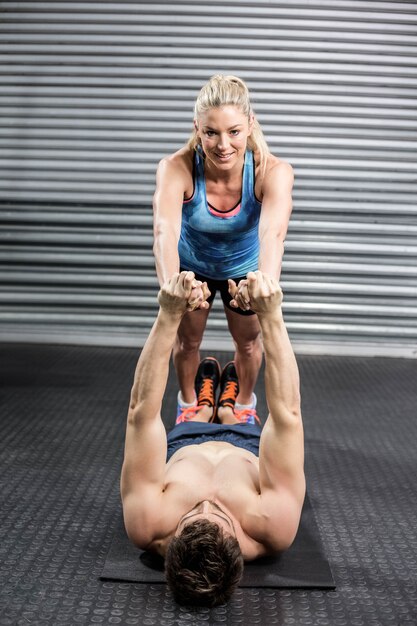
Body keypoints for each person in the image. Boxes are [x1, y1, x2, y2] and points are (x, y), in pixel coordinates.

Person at [121, 270, 305, 607]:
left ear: (168, 545)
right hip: (247, 444)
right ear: (240, 548)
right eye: (217, 514)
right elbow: (287, 416)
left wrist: (168, 313)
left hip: (186, 442)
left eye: (193, 513)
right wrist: (271, 316)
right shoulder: (273, 526)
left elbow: (140, 414)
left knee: (195, 411)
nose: (206, 503)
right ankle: (232, 409)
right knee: (242, 416)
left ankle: (202, 407)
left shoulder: (148, 524)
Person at [152, 74, 294, 424]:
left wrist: (262, 287)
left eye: (233, 131)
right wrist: (173, 287)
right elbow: (165, 230)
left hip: (243, 269)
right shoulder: (176, 168)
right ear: (197, 128)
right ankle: (189, 404)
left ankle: (243, 402)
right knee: (185, 342)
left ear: (250, 124)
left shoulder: (271, 172)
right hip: (192, 267)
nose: (223, 145)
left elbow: (272, 234)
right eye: (211, 132)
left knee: (248, 344)